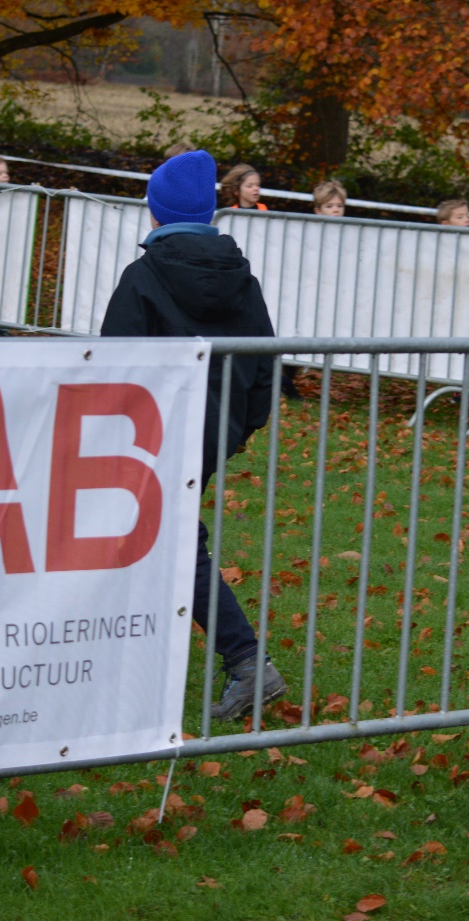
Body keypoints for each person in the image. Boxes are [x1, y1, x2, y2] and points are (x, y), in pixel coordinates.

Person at [99, 150, 287, 720]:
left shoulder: (145, 276)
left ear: (154, 214)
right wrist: (236, 431)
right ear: (211, 213)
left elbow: (113, 366)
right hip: (208, 432)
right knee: (151, 536)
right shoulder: (241, 277)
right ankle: (120, 651)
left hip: (149, 433)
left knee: (170, 540)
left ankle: (248, 661)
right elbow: (265, 365)